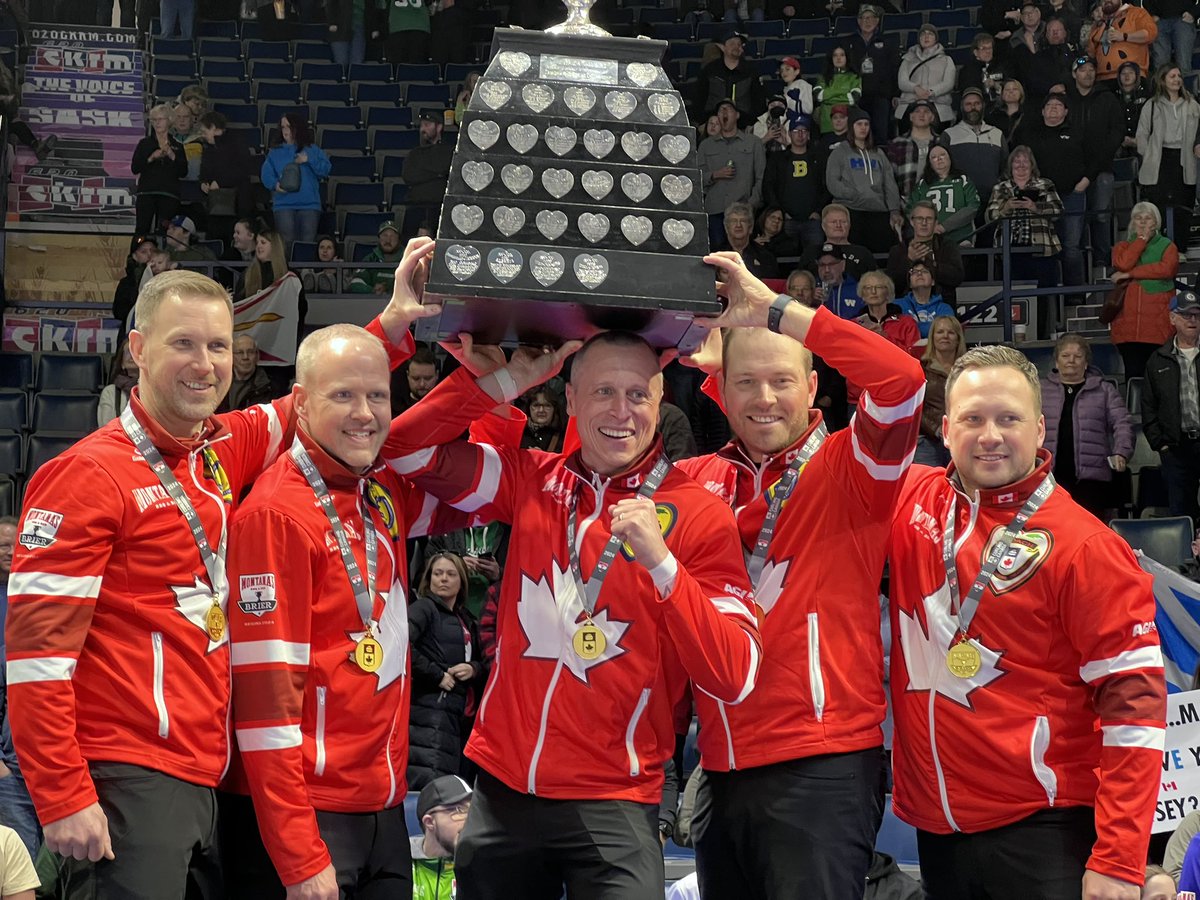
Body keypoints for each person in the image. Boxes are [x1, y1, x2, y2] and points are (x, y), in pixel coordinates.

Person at [3, 268, 428, 898]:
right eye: (183, 343)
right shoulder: (87, 475)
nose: (204, 364)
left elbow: (316, 400)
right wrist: (62, 793)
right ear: (138, 348)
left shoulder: (218, 451)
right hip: (125, 775)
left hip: (203, 777)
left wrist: (391, 326)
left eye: (219, 346)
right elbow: (36, 658)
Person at [380, 237, 763, 900]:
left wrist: (664, 567)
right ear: (573, 398)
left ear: (661, 403)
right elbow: (404, 452)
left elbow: (735, 675)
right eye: (604, 392)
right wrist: (501, 383)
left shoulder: (698, 513)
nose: (622, 411)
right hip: (505, 790)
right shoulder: (532, 478)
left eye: (638, 394)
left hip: (614, 798)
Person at [670, 247, 924, 900]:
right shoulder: (695, 482)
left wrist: (776, 310)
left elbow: (901, 381)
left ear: (812, 388)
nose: (765, 398)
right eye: (746, 383)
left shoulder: (855, 469)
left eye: (783, 380)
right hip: (719, 764)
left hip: (822, 765)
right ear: (720, 392)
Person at [887, 343, 1167, 900]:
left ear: (1040, 429)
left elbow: (1135, 707)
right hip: (937, 830)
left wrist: (1120, 857)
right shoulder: (911, 502)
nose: (989, 435)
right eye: (972, 419)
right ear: (946, 429)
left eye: (1008, 418)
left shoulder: (1086, 546)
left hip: (1044, 830)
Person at [225, 317, 483, 898]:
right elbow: (264, 704)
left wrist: (495, 379)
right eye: (342, 395)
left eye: (377, 396)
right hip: (307, 816)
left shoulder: (378, 493)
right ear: (300, 403)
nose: (364, 414)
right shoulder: (275, 514)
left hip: (382, 806)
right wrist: (297, 852)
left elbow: (472, 493)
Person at [408, 552, 486, 790]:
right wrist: (436, 675)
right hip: (426, 715)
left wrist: (473, 669)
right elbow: (401, 645)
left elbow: (483, 661)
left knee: (452, 789)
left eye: (451, 574)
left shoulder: (466, 619)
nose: (443, 579)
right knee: (430, 787)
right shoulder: (423, 608)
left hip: (456, 718)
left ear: (462, 581)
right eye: (437, 573)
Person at [1041, 333, 1134, 520]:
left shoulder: (1105, 390)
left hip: (1092, 479)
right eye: (1065, 356)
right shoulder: (1040, 390)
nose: (1071, 360)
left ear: (1086, 363)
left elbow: (1122, 422)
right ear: (1057, 362)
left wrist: (1121, 451)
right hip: (1049, 477)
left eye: (1078, 356)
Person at [1015, 93, 1089, 291]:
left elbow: (1093, 158)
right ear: (1042, 111)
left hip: (1072, 195)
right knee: (1045, 248)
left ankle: (1075, 293)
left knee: (1071, 246)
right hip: (1041, 197)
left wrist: (1084, 182)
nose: (1053, 108)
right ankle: (1050, 295)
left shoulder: (1077, 132)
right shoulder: (1031, 134)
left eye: (1058, 105)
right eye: (1049, 105)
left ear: (1066, 111)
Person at [1142, 287, 1200, 521]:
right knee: (1182, 512)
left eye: (1196, 314)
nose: (1192, 320)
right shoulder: (1157, 360)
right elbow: (1148, 406)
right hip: (1176, 448)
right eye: (1186, 315)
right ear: (1172, 318)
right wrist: (1161, 445)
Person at [985, 145, 1065, 311]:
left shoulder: (1045, 184)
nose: (1021, 165)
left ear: (1032, 165)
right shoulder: (1000, 188)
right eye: (1017, 161)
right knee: (1014, 300)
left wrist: (1035, 207)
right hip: (1009, 251)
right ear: (1010, 165)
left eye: (1025, 161)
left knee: (1042, 299)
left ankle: (1043, 327)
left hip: (1041, 250)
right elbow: (989, 217)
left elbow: (1058, 210)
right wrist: (1006, 208)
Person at [1066, 55, 1124, 274]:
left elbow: (1117, 131)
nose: (1088, 73)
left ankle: (1103, 260)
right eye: (1083, 70)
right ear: (1074, 74)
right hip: (1074, 169)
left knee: (1101, 215)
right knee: (1075, 218)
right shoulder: (1066, 99)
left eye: (1091, 70)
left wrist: (1103, 155)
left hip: (1102, 167)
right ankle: (1079, 265)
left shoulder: (1107, 98)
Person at [1110, 201, 1181, 379]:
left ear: (1156, 222)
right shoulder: (1122, 247)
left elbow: (1166, 270)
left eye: (1147, 218)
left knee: (1159, 379)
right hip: (1128, 330)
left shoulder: (1168, 246)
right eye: (1137, 218)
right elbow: (1123, 263)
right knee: (1133, 376)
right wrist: (1140, 241)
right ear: (1132, 222)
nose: (1142, 222)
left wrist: (1130, 274)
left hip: (1158, 328)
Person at [1136, 64, 1200, 256]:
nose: (1177, 79)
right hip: (1160, 159)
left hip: (1185, 158)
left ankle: (1180, 249)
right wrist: (1148, 154)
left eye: (1179, 76)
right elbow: (1142, 134)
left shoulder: (1192, 104)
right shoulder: (1151, 105)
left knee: (1184, 205)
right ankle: (1162, 250)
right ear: (1162, 80)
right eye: (1172, 76)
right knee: (1160, 208)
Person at [826, 109, 904, 253]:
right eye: (859, 124)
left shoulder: (878, 153)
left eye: (866, 124)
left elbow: (889, 183)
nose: (863, 128)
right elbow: (832, 182)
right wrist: (853, 194)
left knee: (881, 255)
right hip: (852, 211)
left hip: (878, 211)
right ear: (851, 127)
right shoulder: (840, 152)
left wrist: (894, 210)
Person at [698, 99, 766, 249]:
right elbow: (696, 180)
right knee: (717, 254)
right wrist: (715, 175)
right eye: (720, 110)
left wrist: (751, 204)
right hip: (715, 210)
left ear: (737, 115)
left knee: (743, 252)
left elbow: (761, 177)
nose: (724, 112)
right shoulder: (706, 145)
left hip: (743, 210)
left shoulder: (753, 143)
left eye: (728, 109)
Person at [261, 113, 331, 252]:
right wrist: (275, 185)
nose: (285, 130)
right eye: (283, 127)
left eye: (289, 126)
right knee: (286, 245)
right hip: (284, 205)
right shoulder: (275, 152)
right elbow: (266, 174)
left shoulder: (312, 149)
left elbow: (325, 169)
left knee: (307, 245)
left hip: (309, 205)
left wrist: (309, 160)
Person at [763, 114, 829, 249]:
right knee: (785, 255)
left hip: (812, 220)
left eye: (804, 131)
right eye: (796, 131)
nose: (800, 134)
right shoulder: (778, 159)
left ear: (808, 135)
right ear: (789, 134)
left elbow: (827, 186)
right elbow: (768, 186)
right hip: (786, 219)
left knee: (815, 256)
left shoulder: (819, 159)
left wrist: (818, 211)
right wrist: (780, 212)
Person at [845, 4, 902, 145]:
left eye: (870, 17)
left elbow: (895, 69)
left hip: (881, 96)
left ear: (877, 20)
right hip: (857, 97)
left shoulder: (888, 42)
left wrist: (895, 93)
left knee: (880, 134)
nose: (867, 21)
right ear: (858, 21)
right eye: (864, 18)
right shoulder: (849, 42)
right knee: (858, 136)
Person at [197, 111, 254, 250]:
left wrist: (220, 182)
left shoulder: (236, 142)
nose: (202, 135)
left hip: (238, 202)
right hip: (216, 204)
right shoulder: (208, 147)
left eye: (204, 131)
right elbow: (204, 171)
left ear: (213, 128)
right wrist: (203, 182)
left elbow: (244, 169)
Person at [887, 201, 966, 300]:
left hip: (942, 304)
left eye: (929, 219)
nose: (924, 223)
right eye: (919, 218)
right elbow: (892, 285)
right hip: (907, 306)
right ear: (912, 222)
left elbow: (957, 277)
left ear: (935, 223)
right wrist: (909, 260)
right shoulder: (898, 249)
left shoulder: (947, 246)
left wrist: (929, 262)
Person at [906, 144, 983, 247]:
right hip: (929, 241)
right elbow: (911, 210)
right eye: (934, 157)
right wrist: (926, 227)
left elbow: (973, 206)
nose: (939, 159)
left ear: (950, 158)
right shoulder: (922, 185)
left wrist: (944, 226)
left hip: (961, 239)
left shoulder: (963, 180)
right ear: (929, 163)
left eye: (942, 155)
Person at [915, 315, 965, 466]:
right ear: (932, 337)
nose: (945, 336)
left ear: (958, 338)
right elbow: (915, 407)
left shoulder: (969, 369)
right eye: (940, 332)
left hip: (962, 438)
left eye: (951, 332)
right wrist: (937, 429)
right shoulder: (920, 369)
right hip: (928, 440)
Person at [131, 104, 187, 238]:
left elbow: (183, 171)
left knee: (164, 231)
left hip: (169, 194)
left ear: (169, 120)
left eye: (160, 119)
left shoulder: (178, 146)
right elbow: (135, 168)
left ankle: (163, 250)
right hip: (146, 192)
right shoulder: (144, 143)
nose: (157, 123)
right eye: (154, 120)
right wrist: (151, 158)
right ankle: (137, 250)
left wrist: (172, 155)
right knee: (141, 230)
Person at [412, 776, 472, 900]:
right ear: (429, 822)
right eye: (459, 810)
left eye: (472, 811)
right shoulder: (398, 864)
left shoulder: (481, 867)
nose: (469, 821)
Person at [691, 30, 763, 129]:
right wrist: (701, 122)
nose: (736, 47)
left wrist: (753, 124)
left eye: (739, 44)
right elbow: (699, 98)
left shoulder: (751, 72)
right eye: (732, 44)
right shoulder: (710, 70)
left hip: (743, 125)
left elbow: (758, 101)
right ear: (722, 47)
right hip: (713, 125)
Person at [402, 112, 454, 238]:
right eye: (421, 126)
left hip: (440, 209)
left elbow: (449, 173)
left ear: (439, 127)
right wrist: (438, 174)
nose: (422, 129)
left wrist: (428, 172)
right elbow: (408, 176)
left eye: (427, 125)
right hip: (416, 209)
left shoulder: (449, 151)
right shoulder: (414, 153)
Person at [897, 25, 957, 127]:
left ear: (936, 39)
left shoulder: (946, 60)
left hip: (938, 106)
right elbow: (902, 82)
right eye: (923, 34)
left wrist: (931, 92)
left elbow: (948, 83)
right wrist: (915, 88)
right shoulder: (908, 59)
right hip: (911, 103)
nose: (926, 36)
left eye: (930, 34)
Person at [796, 203, 876, 278]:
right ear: (823, 226)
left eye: (843, 222)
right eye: (833, 222)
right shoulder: (811, 253)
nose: (838, 225)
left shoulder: (863, 253)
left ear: (849, 225)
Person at [0, 57, 57, 163]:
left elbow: (12, 111)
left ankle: (37, 146)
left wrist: (10, 100)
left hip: (4, 122)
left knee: (17, 123)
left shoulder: (4, 84)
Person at [886, 99, 942, 203]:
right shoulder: (897, 143)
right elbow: (890, 178)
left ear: (932, 117)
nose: (922, 114)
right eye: (917, 111)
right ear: (911, 117)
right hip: (905, 203)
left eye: (926, 111)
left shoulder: (941, 142)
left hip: (936, 202)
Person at [1086, 0, 1158, 82]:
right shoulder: (1099, 23)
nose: (1107, 1)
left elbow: (1150, 33)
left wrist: (1124, 36)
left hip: (1132, 75)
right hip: (1103, 77)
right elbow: (1091, 52)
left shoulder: (1136, 13)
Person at [856, 269, 920, 354]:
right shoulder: (854, 325)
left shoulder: (906, 323)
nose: (873, 291)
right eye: (868, 288)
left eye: (879, 287)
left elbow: (914, 356)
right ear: (862, 294)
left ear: (888, 292)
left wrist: (885, 337)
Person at [894, 260, 956, 338]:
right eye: (914, 272)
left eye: (925, 271)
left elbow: (944, 333)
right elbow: (895, 331)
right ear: (910, 284)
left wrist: (911, 328)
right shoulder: (897, 305)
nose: (919, 273)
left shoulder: (944, 308)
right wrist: (932, 328)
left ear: (933, 281)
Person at [218, 335, 275, 413]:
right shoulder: (218, 382)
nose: (245, 357)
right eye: (240, 352)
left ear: (257, 356)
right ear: (231, 356)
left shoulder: (269, 387)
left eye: (250, 352)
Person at [814, 45, 862, 136]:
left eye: (842, 55)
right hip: (826, 124)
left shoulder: (854, 77)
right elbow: (819, 97)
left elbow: (852, 99)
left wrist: (828, 95)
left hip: (848, 126)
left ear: (847, 57)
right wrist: (843, 92)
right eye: (835, 55)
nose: (838, 58)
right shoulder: (822, 77)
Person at [721, 202, 777, 278]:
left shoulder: (766, 256)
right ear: (726, 228)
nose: (738, 225)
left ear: (750, 227)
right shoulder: (716, 255)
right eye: (734, 221)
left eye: (743, 221)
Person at [1148, 0, 1196, 86]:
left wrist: (1194, 13)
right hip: (1160, 20)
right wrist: (1152, 13)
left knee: (1183, 63)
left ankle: (1184, 92)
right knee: (1160, 64)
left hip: (1183, 19)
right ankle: (1161, 93)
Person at [350, 221, 405, 295]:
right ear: (379, 238)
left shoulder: (408, 259)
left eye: (392, 236)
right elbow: (355, 283)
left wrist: (389, 290)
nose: (388, 240)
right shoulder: (370, 259)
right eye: (384, 235)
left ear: (398, 239)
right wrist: (373, 290)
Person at [814, 242, 865, 319]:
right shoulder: (810, 288)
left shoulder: (858, 290)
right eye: (822, 265)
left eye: (832, 264)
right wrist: (809, 300)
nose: (827, 270)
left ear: (843, 264)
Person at [958, 33, 1008, 105]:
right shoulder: (967, 71)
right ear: (975, 52)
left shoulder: (1002, 66)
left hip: (1002, 105)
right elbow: (967, 93)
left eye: (990, 48)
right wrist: (983, 86)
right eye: (983, 48)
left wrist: (996, 86)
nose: (988, 51)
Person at [97, 340, 138, 426]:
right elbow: (106, 427)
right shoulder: (110, 392)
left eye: (135, 350)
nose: (131, 354)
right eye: (127, 351)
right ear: (122, 363)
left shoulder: (152, 391)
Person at [391, 344, 440, 416]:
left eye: (428, 378)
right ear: (408, 375)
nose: (422, 384)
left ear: (437, 375)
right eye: (416, 378)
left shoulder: (448, 408)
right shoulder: (392, 410)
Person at [240, 228, 288, 299]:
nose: (258, 246)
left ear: (274, 246)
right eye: (257, 243)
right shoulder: (247, 275)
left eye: (263, 242)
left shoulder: (289, 275)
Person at [382, 0, 430, 64]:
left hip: (398, 25)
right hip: (420, 25)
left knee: (397, 65)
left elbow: (382, 6)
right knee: (419, 65)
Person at [777, 57, 815, 123]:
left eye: (787, 69)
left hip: (801, 123)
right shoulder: (784, 89)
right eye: (781, 70)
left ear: (797, 71)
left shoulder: (802, 84)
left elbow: (808, 109)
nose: (784, 72)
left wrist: (787, 101)